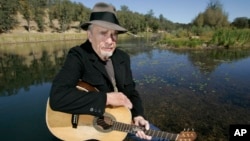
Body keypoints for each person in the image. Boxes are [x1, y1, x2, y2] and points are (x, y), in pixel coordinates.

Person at [49, 2, 167, 141]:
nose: (110, 41)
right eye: (103, 33)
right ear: (90, 35)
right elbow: (58, 98)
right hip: (87, 125)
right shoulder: (78, 56)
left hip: (120, 119)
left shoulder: (123, 57)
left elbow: (131, 92)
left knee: (161, 138)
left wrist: (138, 115)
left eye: (114, 34)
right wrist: (108, 98)